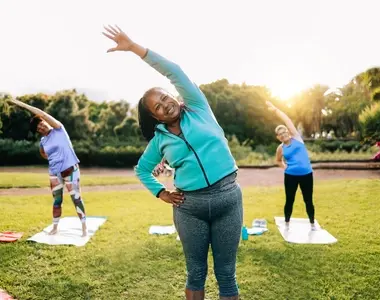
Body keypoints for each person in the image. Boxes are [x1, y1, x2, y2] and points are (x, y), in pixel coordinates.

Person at [103, 25, 242, 300]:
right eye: (157, 106)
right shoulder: (159, 141)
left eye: (165, 97)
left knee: (226, 274)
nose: (165, 104)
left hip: (228, 199)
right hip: (190, 208)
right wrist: (161, 192)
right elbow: (141, 169)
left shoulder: (198, 108)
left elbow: (174, 72)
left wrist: (134, 48)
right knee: (196, 273)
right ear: (155, 117)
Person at [8, 99, 87, 237]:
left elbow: (42, 114)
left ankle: (84, 228)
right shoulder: (43, 141)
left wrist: (21, 105)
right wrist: (52, 159)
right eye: (38, 129)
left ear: (45, 122)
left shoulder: (59, 129)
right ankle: (55, 227)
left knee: (76, 198)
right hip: (54, 174)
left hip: (70, 170)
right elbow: (43, 153)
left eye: (41, 125)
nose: (41, 128)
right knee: (57, 201)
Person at [266, 101, 317, 231]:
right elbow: (278, 160)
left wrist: (275, 110)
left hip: (306, 174)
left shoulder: (297, 138)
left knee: (308, 200)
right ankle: (287, 224)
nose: (283, 134)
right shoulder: (280, 148)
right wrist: (285, 167)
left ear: (288, 132)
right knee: (290, 200)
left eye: (284, 132)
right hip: (290, 176)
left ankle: (312, 224)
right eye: (280, 134)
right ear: (278, 137)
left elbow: (287, 120)